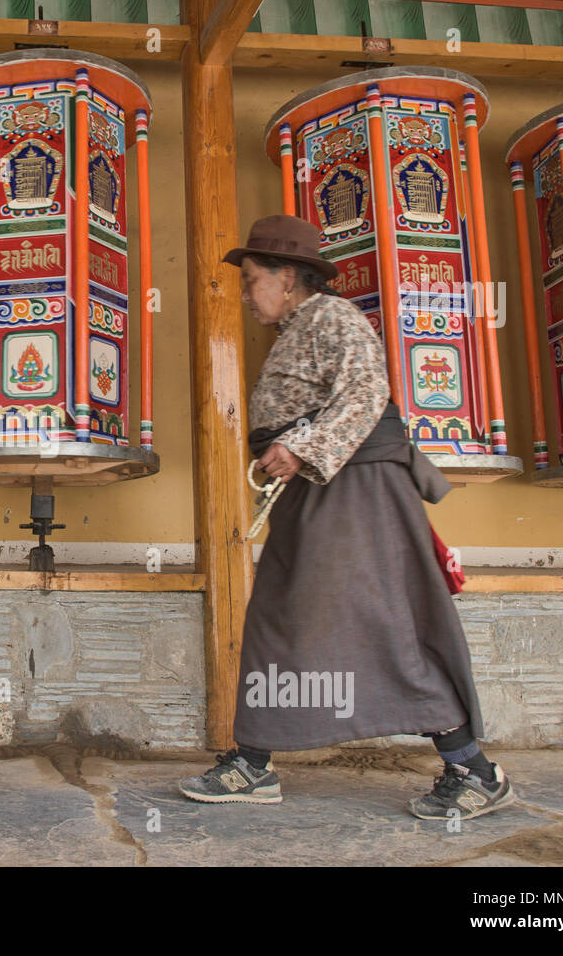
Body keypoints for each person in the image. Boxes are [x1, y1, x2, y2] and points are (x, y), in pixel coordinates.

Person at [177, 215, 515, 821]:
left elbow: (364, 395)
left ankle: (472, 768)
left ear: (287, 277)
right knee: (280, 617)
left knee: (388, 622)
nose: (248, 292)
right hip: (318, 490)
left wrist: (301, 444)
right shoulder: (299, 327)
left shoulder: (335, 318)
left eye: (253, 279)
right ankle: (253, 761)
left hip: (358, 491)